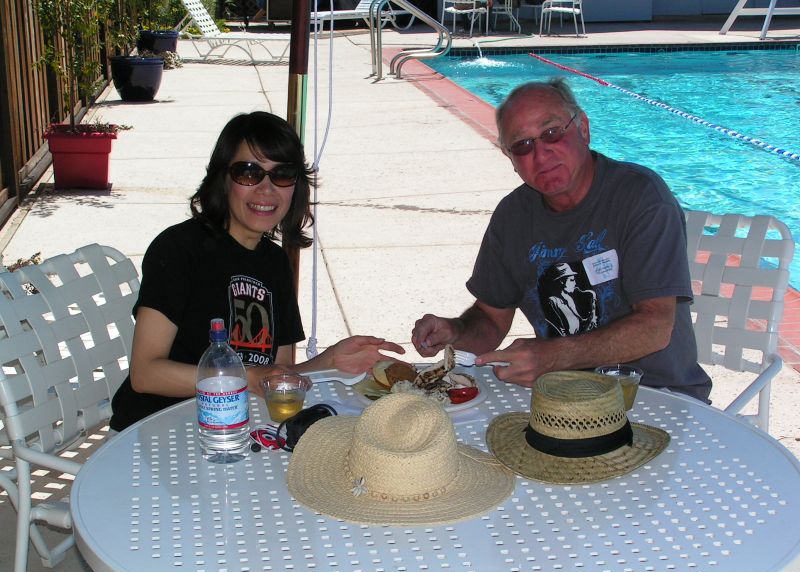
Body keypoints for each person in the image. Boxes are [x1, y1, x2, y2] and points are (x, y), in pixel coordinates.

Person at [411, 78, 711, 401]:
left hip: (655, 396)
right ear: (510, 158)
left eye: (552, 134)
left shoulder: (641, 198)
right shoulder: (513, 217)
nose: (540, 155)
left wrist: (551, 357)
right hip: (560, 402)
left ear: (582, 127)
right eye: (523, 146)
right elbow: (490, 320)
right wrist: (455, 332)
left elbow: (655, 327)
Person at [110, 111, 403, 431]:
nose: (266, 189)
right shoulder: (178, 249)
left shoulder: (275, 263)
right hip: (153, 431)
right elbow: (145, 374)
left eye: (282, 174)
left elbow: (277, 375)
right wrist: (244, 377)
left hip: (234, 428)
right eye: (249, 173)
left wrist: (330, 362)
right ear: (223, 178)